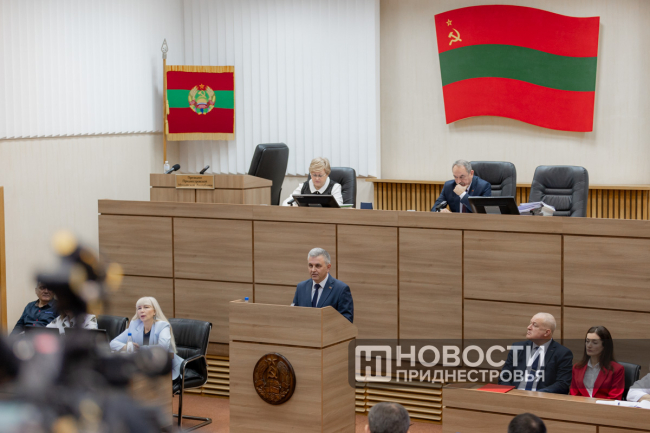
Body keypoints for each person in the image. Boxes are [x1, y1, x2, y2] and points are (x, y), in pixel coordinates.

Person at [110, 297, 183, 381]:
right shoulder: (135, 325)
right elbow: (113, 343)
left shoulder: (162, 326)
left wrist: (139, 349)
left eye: (146, 307)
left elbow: (162, 348)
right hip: (143, 368)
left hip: (166, 368)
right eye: (139, 308)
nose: (142, 311)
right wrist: (125, 347)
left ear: (154, 311)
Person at [499, 313, 573, 394]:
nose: (529, 327)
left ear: (546, 332)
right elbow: (504, 376)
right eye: (530, 323)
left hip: (542, 398)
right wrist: (511, 393)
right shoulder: (518, 347)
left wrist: (537, 395)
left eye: (534, 325)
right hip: (514, 395)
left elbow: (562, 384)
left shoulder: (562, 353)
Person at [292, 248, 354, 322]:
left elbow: (346, 320)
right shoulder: (301, 287)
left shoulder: (341, 289)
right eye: (310, 266)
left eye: (318, 266)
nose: (313, 270)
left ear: (328, 267)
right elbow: (294, 314)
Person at [569, 326, 624, 399]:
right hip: (581, 405)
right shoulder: (577, 368)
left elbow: (614, 398)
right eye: (587, 341)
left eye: (594, 342)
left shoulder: (617, 369)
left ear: (604, 346)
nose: (589, 346)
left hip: (603, 405)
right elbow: (574, 395)